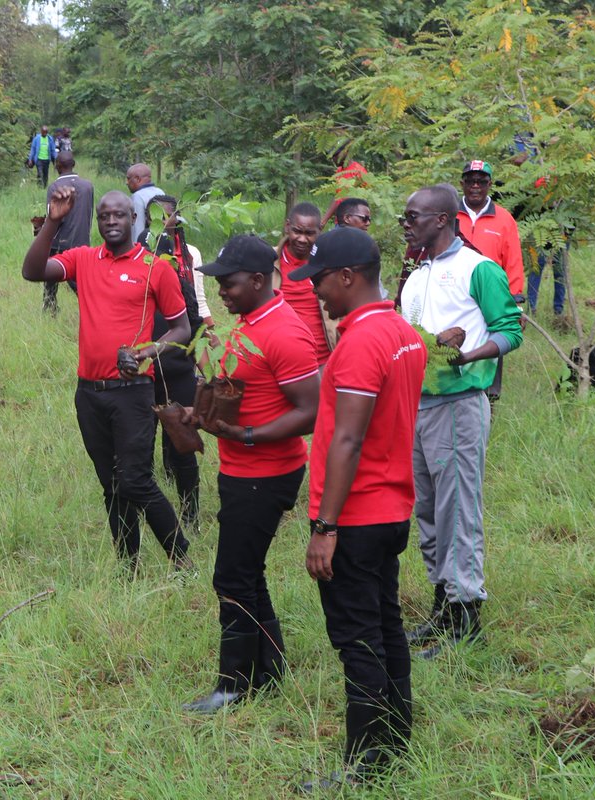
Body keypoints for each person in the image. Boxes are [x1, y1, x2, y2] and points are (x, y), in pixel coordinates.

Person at [290, 226, 426, 791]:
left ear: (347, 277)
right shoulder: (403, 331)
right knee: (386, 624)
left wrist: (325, 526)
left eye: (320, 280)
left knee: (356, 639)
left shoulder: (360, 343)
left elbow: (346, 440)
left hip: (357, 517)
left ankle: (363, 765)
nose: (316, 291)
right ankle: (397, 738)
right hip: (393, 507)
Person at [182, 235, 319, 714]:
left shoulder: (283, 331)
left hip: (264, 473)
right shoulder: (249, 322)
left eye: (229, 282)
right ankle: (269, 670)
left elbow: (313, 411)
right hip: (242, 469)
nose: (221, 290)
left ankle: (234, 684)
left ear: (258, 280)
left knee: (232, 578)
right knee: (247, 573)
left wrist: (245, 436)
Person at [23, 188, 192, 572]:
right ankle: (128, 567)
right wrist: (53, 221)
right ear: (98, 221)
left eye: (119, 215)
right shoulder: (84, 259)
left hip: (133, 392)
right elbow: (32, 271)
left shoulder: (154, 267)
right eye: (104, 217)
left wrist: (146, 352)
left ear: (135, 219)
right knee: (111, 486)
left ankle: (182, 559)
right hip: (90, 394)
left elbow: (181, 329)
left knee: (136, 481)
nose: (111, 222)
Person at [399, 185, 523, 659]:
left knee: (459, 511)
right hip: (417, 406)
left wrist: (468, 353)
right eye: (405, 217)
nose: (407, 224)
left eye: (414, 216)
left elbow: (510, 330)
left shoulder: (478, 269)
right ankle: (442, 607)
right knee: (428, 511)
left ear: (444, 219)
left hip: (458, 403)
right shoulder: (417, 272)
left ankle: (466, 617)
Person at [143, 194, 213, 536]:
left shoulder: (183, 268)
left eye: (168, 218)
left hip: (178, 370)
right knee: (144, 444)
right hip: (143, 373)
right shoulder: (136, 267)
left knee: (183, 447)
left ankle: (191, 516)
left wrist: (204, 369)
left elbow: (196, 324)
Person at [457, 160, 525, 400]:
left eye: (482, 181)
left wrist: (516, 306)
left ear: (489, 185)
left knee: (490, 353)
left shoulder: (504, 219)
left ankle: (487, 406)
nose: (476, 186)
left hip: (492, 300)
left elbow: (514, 263)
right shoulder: (450, 214)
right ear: (462, 183)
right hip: (455, 295)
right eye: (471, 181)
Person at [276, 203, 333, 366]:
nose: (302, 239)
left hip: (323, 361)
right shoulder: (269, 262)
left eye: (309, 233)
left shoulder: (330, 265)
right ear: (287, 227)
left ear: (319, 232)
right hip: (281, 360)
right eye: (297, 231)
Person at [42, 151, 94, 314]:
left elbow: (53, 216)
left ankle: (50, 307)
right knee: (79, 277)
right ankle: (91, 305)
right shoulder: (87, 186)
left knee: (53, 276)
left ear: (57, 166)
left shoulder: (55, 187)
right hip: (82, 238)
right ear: (73, 164)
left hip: (60, 240)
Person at [126, 163, 163, 245]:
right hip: (161, 241)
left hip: (146, 246)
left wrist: (135, 251)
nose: (127, 183)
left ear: (138, 179)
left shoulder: (137, 197)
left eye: (128, 179)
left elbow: (137, 228)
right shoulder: (160, 192)